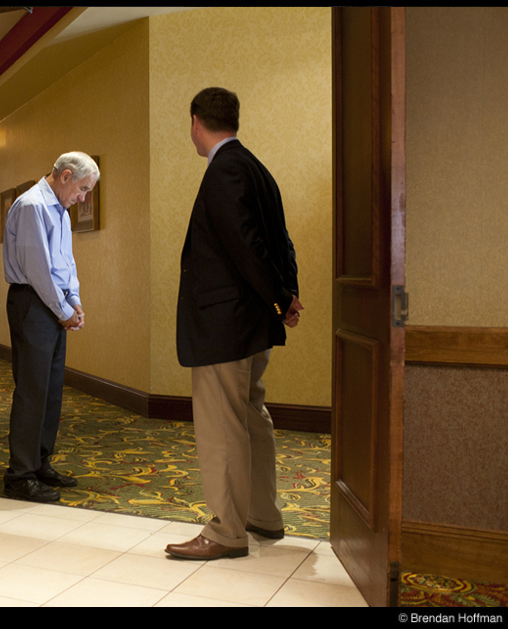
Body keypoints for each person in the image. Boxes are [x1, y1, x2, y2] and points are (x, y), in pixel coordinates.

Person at [167, 88, 303, 560]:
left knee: (224, 425)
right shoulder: (256, 168)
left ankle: (227, 531)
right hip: (252, 322)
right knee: (250, 416)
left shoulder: (223, 169)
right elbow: (279, 241)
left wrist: (280, 295)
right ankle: (263, 515)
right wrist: (285, 293)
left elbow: (246, 246)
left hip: (225, 322)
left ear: (196, 122)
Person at [1, 152, 99, 502]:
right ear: (66, 176)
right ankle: (19, 474)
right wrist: (62, 309)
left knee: (51, 389)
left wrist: (75, 301)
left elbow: (65, 263)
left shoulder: (59, 211)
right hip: (32, 302)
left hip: (53, 304)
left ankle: (40, 462)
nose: (83, 197)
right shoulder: (32, 206)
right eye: (83, 189)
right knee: (32, 389)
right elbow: (38, 269)